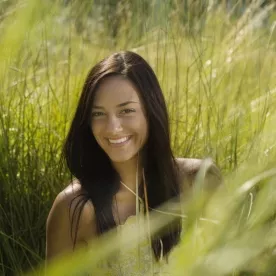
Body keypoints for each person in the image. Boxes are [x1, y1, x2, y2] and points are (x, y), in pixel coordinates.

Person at [46, 51, 222, 275]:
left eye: (126, 111)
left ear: (151, 111)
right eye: (98, 114)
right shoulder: (74, 208)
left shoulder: (199, 180)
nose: (112, 128)